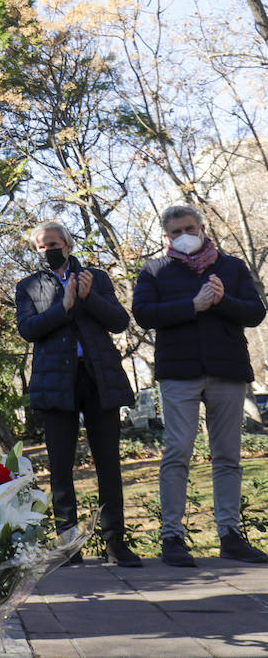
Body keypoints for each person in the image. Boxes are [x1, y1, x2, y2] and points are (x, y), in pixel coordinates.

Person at [132, 204, 268, 566]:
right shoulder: (154, 270)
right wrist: (191, 305)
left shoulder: (231, 267)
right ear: (166, 236)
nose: (184, 236)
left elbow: (255, 312)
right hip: (179, 373)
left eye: (189, 228)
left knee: (228, 456)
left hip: (227, 371)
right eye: (176, 232)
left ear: (203, 228)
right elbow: (143, 314)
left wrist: (223, 300)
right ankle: (172, 538)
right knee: (178, 452)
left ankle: (230, 535)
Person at [15, 221, 140, 567]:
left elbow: (118, 321)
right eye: (41, 246)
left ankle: (115, 543)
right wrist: (64, 306)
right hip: (56, 382)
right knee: (60, 467)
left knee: (108, 464)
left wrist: (89, 298)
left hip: (98, 378)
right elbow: (28, 329)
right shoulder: (28, 286)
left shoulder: (96, 279)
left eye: (53, 243)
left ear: (68, 245)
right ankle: (68, 545)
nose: (48, 250)